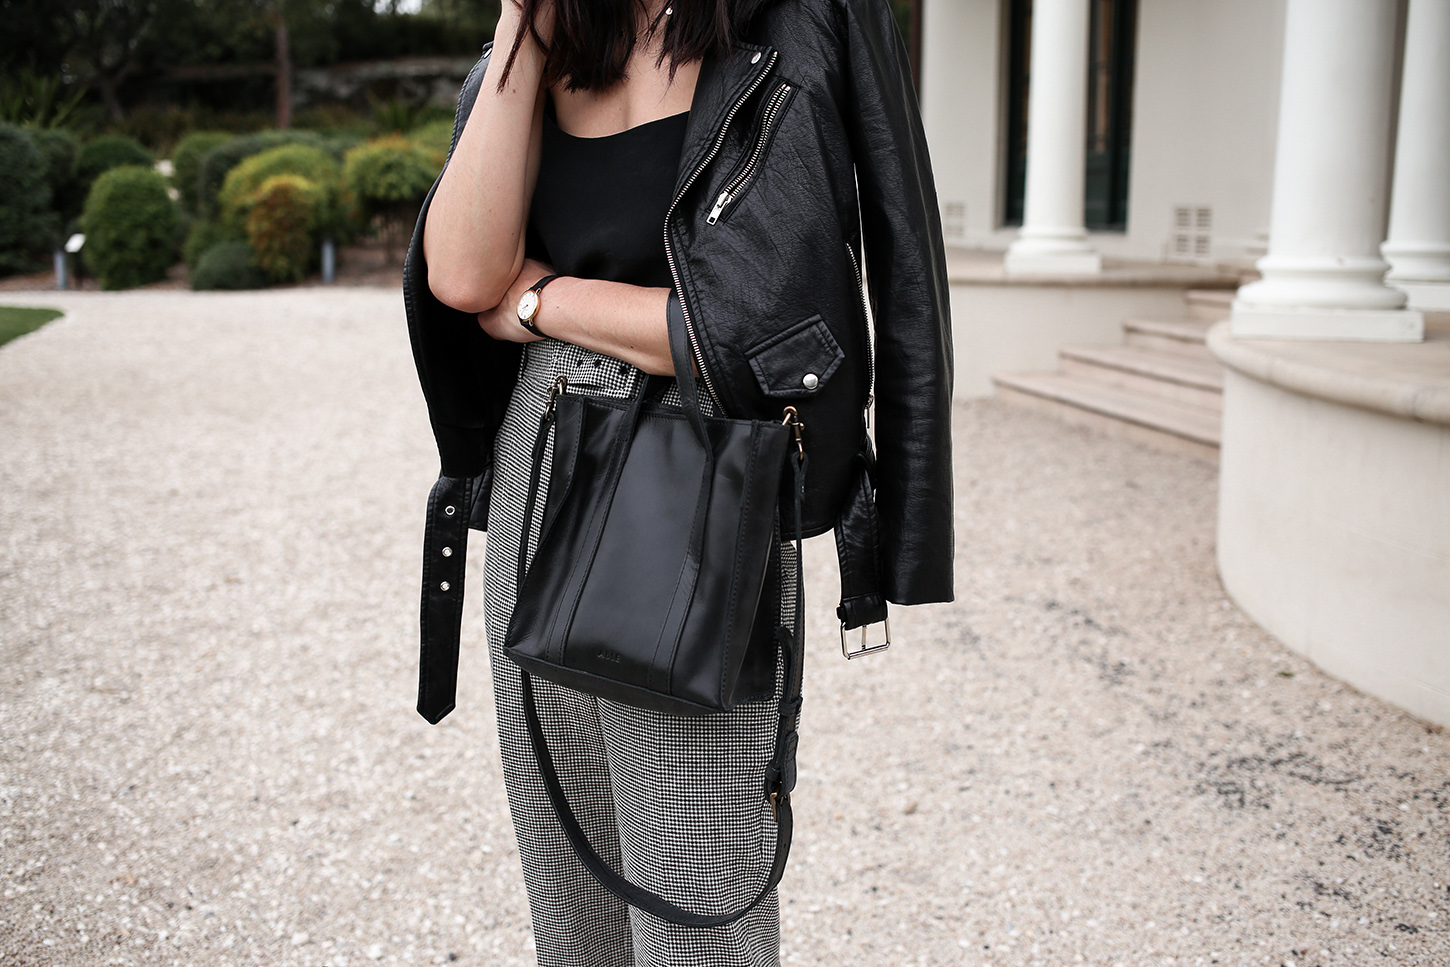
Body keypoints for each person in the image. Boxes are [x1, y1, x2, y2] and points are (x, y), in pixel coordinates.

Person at [403, 0, 955, 963]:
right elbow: (459, 273)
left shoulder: (803, 17)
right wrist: (519, 30)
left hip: (703, 476)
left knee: (700, 911)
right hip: (539, 465)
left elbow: (770, 324)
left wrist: (543, 298)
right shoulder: (551, 34)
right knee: (572, 913)